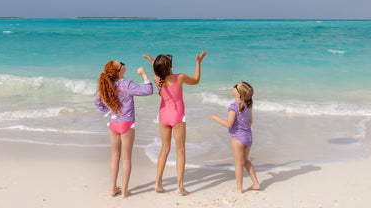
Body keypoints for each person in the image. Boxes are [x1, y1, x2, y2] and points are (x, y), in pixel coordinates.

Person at [143, 50, 208, 195]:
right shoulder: (180, 78)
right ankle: (180, 187)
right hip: (177, 117)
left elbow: (156, 72)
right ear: (170, 66)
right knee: (180, 150)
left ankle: (158, 183)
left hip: (163, 116)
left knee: (164, 149)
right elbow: (196, 80)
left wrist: (152, 61)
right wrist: (198, 62)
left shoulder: (158, 80)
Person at [94, 60, 153, 198]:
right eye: (122, 63)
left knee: (115, 157)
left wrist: (108, 112)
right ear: (120, 71)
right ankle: (125, 191)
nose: (124, 64)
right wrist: (144, 75)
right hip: (126, 124)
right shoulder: (127, 84)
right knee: (126, 158)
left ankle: (113, 188)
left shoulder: (108, 86)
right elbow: (148, 91)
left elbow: (97, 102)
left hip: (113, 123)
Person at [209, 81, 260, 194]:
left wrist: (215, 117)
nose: (233, 86)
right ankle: (256, 183)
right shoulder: (248, 105)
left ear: (238, 94)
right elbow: (250, 122)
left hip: (238, 139)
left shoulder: (233, 106)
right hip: (248, 137)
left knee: (238, 163)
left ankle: (239, 188)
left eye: (236, 86)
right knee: (245, 161)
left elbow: (228, 124)